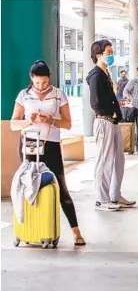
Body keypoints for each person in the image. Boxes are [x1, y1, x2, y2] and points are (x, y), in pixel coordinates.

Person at [10, 60, 86, 246]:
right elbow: (13, 124)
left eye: (44, 82)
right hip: (29, 145)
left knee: (60, 186)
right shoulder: (24, 95)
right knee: (27, 184)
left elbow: (67, 123)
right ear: (31, 79)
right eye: (37, 83)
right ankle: (27, 228)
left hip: (50, 144)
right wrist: (29, 121)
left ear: (49, 78)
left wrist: (51, 119)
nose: (41, 86)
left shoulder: (58, 95)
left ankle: (76, 231)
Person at [86, 39, 136, 211]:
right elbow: (95, 102)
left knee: (118, 160)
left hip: (113, 121)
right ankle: (101, 199)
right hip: (104, 121)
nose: (111, 55)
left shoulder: (105, 74)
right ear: (98, 55)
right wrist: (106, 112)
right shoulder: (95, 76)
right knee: (104, 160)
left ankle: (114, 195)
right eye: (108, 52)